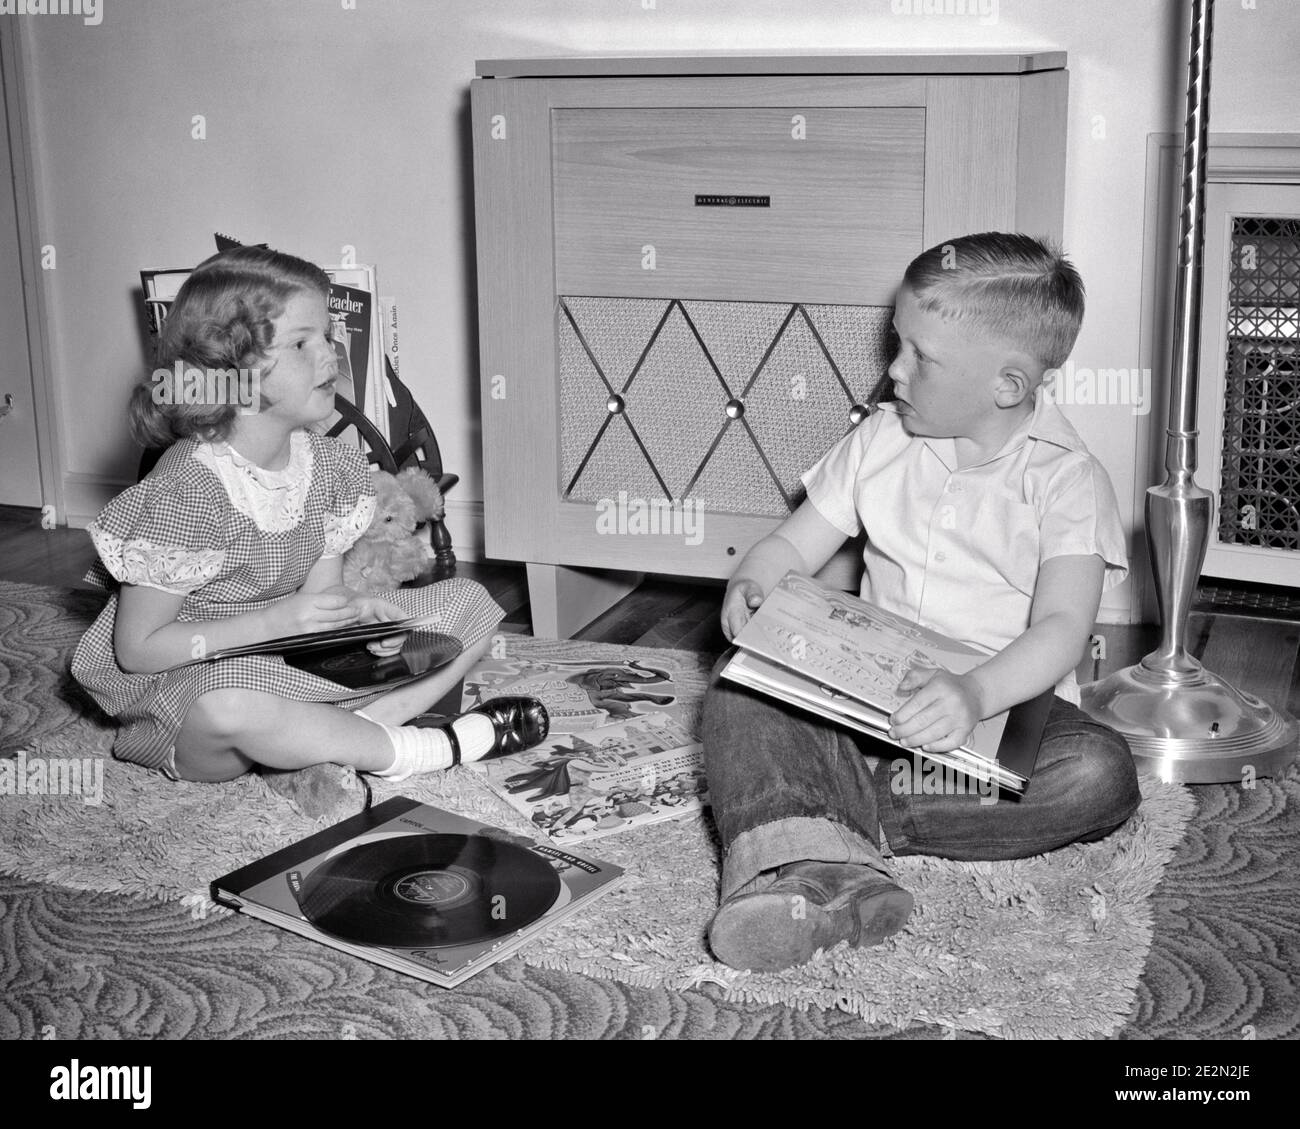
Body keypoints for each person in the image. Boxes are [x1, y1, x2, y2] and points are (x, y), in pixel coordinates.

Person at [704, 232, 1142, 972]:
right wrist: (752, 582)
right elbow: (789, 547)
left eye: (919, 356)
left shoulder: (1069, 479)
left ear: (1006, 385)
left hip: (990, 721)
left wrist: (973, 692)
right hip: (859, 700)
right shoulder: (879, 441)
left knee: (1099, 772)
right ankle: (825, 840)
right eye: (896, 344)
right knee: (736, 685)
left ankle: (818, 830)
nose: (893, 369)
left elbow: (1064, 629)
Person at [72, 246, 546, 803]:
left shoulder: (325, 465)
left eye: (328, 336)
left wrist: (359, 616)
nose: (330, 357)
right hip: (195, 688)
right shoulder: (185, 493)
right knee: (229, 705)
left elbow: (323, 595)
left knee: (469, 604)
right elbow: (139, 651)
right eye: (302, 344)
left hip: (288, 659)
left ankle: (334, 737)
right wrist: (275, 622)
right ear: (232, 375)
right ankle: (417, 751)